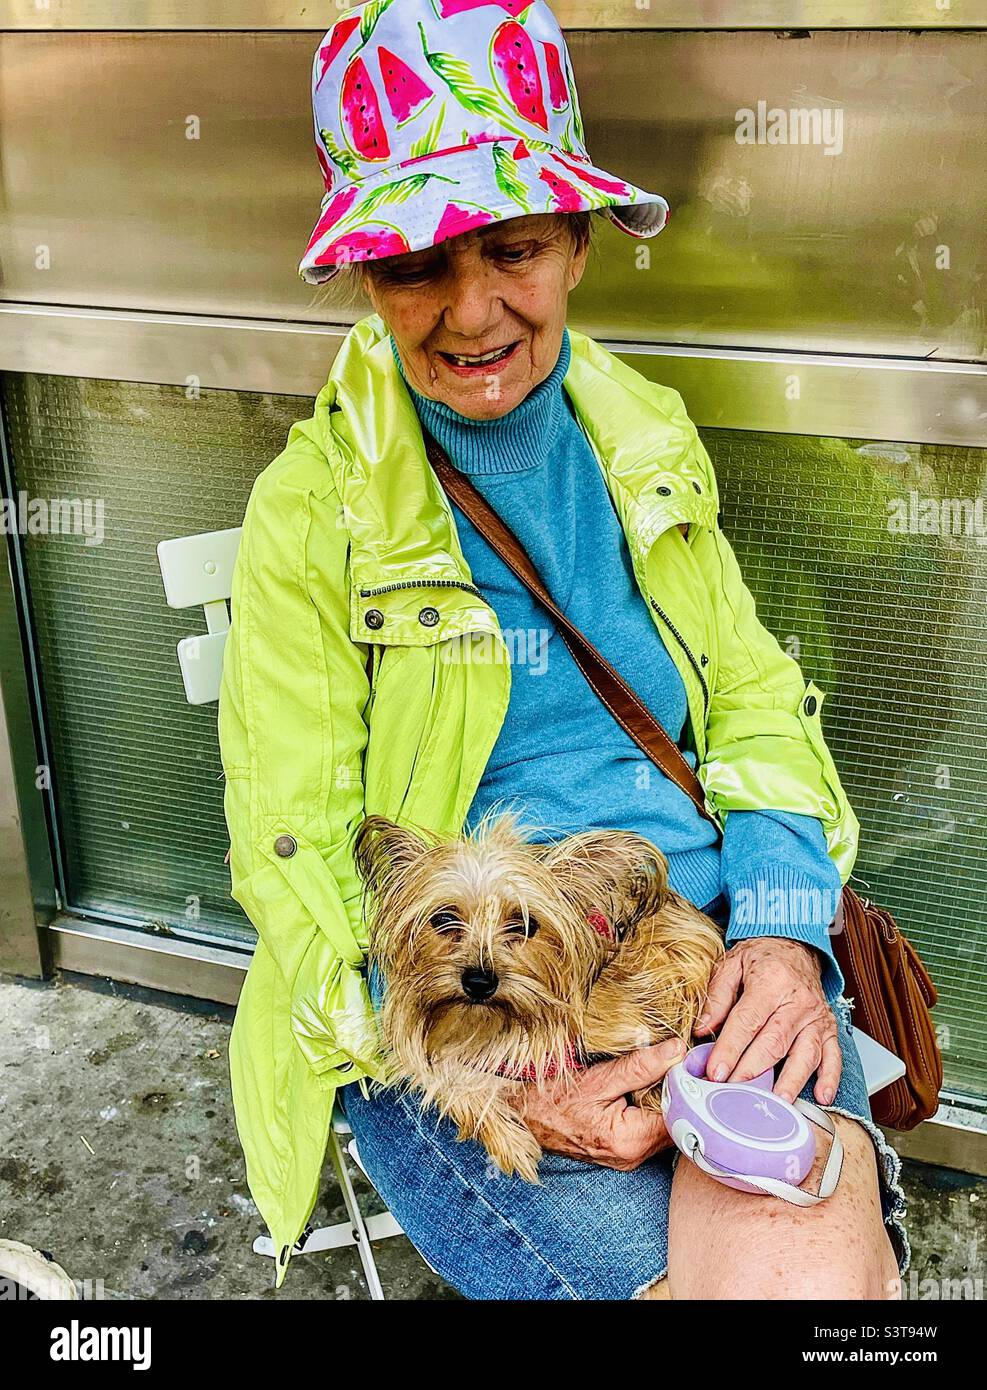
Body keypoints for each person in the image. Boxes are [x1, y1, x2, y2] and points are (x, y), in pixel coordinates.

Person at [218, 0, 908, 1299]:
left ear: (578, 241)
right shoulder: (312, 516)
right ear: (366, 273)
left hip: (692, 948)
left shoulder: (639, 429)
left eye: (513, 248)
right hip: (457, 1003)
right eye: (420, 263)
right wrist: (500, 1074)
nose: (472, 311)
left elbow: (755, 699)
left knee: (810, 1289)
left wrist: (773, 935)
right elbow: (292, 851)